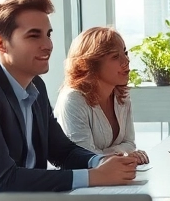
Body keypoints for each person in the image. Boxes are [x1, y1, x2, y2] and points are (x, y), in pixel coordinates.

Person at [0, 0, 137, 193]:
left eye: (48, 34)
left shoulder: (35, 86)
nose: (48, 45)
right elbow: (4, 180)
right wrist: (94, 176)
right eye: (34, 35)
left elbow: (63, 152)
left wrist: (100, 161)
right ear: (0, 44)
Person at [54, 26, 149, 164]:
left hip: (111, 174)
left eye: (125, 53)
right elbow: (84, 158)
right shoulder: (73, 99)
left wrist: (115, 155)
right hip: (83, 177)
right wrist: (123, 155)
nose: (126, 61)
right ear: (91, 64)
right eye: (115, 57)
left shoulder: (121, 95)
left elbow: (130, 144)